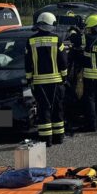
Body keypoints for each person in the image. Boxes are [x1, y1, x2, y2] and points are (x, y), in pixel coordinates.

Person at [24, 12, 67, 146]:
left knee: (43, 110)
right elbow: (63, 60)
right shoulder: (57, 39)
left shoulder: (30, 41)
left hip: (39, 82)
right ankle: (58, 138)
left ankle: (45, 140)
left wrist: (29, 79)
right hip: (55, 81)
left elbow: (27, 63)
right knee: (57, 109)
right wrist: (64, 77)